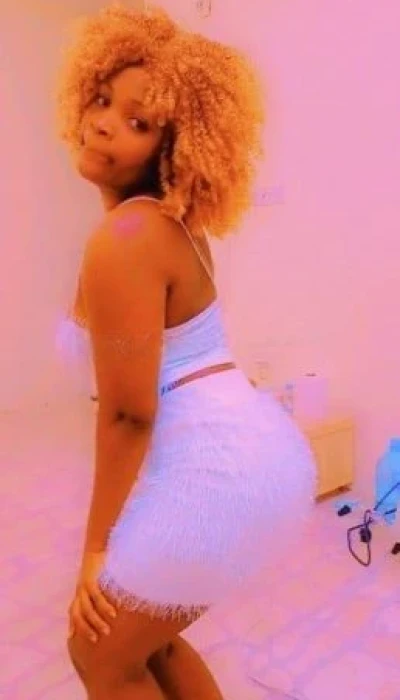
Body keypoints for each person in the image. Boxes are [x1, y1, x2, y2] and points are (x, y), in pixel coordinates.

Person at [56, 3, 317, 699]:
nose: (104, 122)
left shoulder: (126, 238)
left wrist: (96, 549)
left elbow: (128, 414)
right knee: (151, 640)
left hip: (221, 471)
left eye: (139, 122)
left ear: (172, 149)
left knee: (98, 652)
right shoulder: (164, 229)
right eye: (102, 99)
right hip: (254, 456)